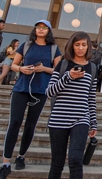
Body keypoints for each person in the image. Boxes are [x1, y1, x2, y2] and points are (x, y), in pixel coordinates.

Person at [0, 20, 61, 179]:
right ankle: (6, 162)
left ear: (48, 31)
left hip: (41, 91)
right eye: (38, 27)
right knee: (14, 122)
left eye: (44, 28)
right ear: (35, 29)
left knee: (30, 125)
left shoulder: (53, 49)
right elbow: (14, 65)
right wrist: (21, 69)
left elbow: (59, 71)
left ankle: (21, 156)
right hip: (21, 88)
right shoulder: (26, 45)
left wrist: (43, 69)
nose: (41, 30)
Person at [45, 31, 97, 179]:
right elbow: (49, 92)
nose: (81, 48)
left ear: (88, 47)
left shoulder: (92, 68)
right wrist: (68, 76)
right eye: (77, 44)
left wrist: (93, 122)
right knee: (57, 163)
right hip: (58, 119)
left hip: (81, 119)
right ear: (72, 46)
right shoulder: (63, 64)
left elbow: (91, 98)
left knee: (75, 160)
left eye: (84, 45)